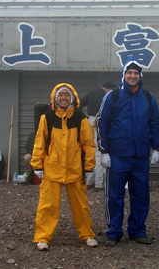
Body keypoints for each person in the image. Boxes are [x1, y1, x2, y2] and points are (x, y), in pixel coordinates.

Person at [96, 56, 159, 247]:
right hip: (117, 155)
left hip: (140, 156)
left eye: (136, 73)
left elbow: (154, 123)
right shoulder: (113, 96)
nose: (132, 76)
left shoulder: (148, 97)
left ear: (140, 76)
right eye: (129, 73)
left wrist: (156, 147)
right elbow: (102, 124)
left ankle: (137, 231)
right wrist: (104, 151)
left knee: (140, 195)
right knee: (115, 196)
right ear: (124, 75)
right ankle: (113, 232)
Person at [31, 83, 98, 251]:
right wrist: (37, 165)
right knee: (47, 206)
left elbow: (88, 144)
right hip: (51, 169)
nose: (63, 98)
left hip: (75, 169)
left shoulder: (80, 118)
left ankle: (87, 235)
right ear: (55, 98)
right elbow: (39, 142)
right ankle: (43, 237)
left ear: (73, 98)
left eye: (66, 95)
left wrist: (89, 166)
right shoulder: (47, 118)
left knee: (81, 206)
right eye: (60, 95)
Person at [79, 81, 117, 189]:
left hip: (90, 121)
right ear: (109, 89)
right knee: (100, 151)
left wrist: (83, 118)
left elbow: (79, 104)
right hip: (100, 122)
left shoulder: (92, 93)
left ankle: (90, 181)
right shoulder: (106, 96)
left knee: (91, 150)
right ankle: (99, 183)